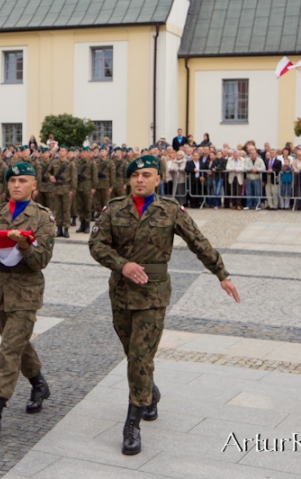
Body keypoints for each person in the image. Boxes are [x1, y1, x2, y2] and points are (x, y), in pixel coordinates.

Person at [89, 154, 239, 456]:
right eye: (135, 176)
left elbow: (199, 241)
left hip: (154, 294)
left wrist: (221, 273)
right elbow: (96, 244)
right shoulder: (114, 208)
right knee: (132, 352)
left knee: (139, 357)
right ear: (129, 180)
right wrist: (122, 265)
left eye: (146, 175)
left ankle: (132, 424)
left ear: (159, 179)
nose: (140, 180)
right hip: (120, 292)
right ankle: (150, 392)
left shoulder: (170, 210)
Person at [0, 162, 55, 443]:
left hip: (26, 293)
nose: (16, 185)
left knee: (8, 350)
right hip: (1, 291)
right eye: (13, 180)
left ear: (34, 186)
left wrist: (25, 245)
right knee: (17, 343)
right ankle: (39, 384)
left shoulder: (43, 217)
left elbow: (41, 261)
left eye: (23, 180)